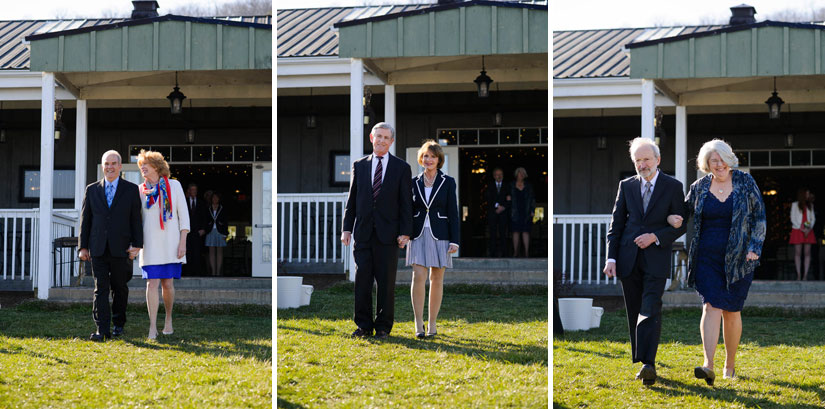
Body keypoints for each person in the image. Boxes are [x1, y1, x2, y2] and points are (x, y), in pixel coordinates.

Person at [668, 139, 766, 384]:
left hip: (740, 258)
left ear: (729, 159)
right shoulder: (699, 186)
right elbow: (684, 210)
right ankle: (708, 364)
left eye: (722, 159)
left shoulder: (745, 182)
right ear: (707, 163)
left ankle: (729, 364)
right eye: (714, 161)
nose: (719, 164)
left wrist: (755, 247)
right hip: (706, 257)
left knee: (731, 312)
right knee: (711, 306)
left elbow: (760, 217)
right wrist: (673, 217)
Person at [604, 137, 686, 386]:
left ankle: (649, 363)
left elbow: (681, 224)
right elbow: (616, 225)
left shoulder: (673, 186)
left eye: (646, 159)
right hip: (628, 259)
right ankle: (642, 361)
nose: (642, 164)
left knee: (651, 306)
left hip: (656, 259)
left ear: (657, 160)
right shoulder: (626, 186)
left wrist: (655, 236)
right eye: (637, 160)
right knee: (634, 310)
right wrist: (611, 257)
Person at [341, 122, 413, 340]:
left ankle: (383, 327)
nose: (381, 140)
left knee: (386, 282)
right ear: (371, 138)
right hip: (362, 233)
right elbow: (352, 199)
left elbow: (406, 204)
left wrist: (405, 232)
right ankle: (363, 325)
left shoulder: (402, 168)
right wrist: (346, 228)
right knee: (362, 280)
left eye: (386, 137)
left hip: (388, 235)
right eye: (378, 136)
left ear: (391, 141)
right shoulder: (359, 165)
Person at [79, 150, 143, 342]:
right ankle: (102, 329)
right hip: (97, 248)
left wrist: (137, 245)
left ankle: (118, 323)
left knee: (120, 288)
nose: (110, 167)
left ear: (120, 166)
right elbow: (86, 220)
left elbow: (136, 220)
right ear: (102, 166)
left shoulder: (131, 190)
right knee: (100, 289)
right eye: (106, 164)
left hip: (121, 248)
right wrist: (83, 247)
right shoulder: (92, 190)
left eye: (114, 163)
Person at [407, 141, 460, 338]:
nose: (428, 160)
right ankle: (418, 323)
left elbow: (453, 213)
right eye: (425, 156)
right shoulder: (413, 182)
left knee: (436, 279)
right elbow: (407, 210)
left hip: (441, 234)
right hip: (418, 233)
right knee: (418, 276)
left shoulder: (448, 182)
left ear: (439, 160)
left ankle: (433, 323)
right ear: (421, 158)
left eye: (432, 156)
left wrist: (455, 240)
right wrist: (404, 233)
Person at [137, 150, 189, 340]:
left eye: (146, 164)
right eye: (141, 164)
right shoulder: (140, 190)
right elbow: (137, 220)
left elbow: (183, 217)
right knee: (152, 284)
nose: (142, 167)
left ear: (157, 167)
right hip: (150, 245)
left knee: (167, 284)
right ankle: (152, 327)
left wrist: (183, 242)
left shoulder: (174, 186)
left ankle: (168, 319)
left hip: (171, 243)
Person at [790, 187, 816, 281]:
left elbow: (813, 219)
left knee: (807, 253)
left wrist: (808, 228)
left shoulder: (810, 205)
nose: (808, 195)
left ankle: (805, 275)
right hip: (798, 230)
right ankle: (799, 275)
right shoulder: (795, 205)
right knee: (798, 253)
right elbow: (792, 218)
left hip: (808, 230)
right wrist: (801, 227)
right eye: (807, 193)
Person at [510, 167, 535, 257]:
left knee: (525, 231)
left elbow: (532, 199)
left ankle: (526, 252)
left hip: (526, 211)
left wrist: (532, 210)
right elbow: (507, 197)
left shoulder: (528, 186)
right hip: (515, 211)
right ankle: (515, 252)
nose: (521, 175)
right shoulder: (511, 185)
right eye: (519, 173)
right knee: (515, 231)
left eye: (523, 174)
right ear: (516, 174)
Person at [485, 167, 510, 257]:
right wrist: (497, 206)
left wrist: (503, 207)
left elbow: (510, 199)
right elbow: (488, 197)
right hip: (493, 213)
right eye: (497, 174)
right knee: (493, 233)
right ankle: (492, 253)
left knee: (503, 233)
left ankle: (504, 253)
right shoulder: (490, 186)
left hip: (503, 214)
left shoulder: (507, 186)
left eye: (500, 174)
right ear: (494, 176)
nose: (499, 176)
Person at [183, 183, 206, 276]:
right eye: (192, 190)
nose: (193, 192)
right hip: (186, 232)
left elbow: (204, 217)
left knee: (197, 253)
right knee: (187, 252)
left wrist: (203, 229)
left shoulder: (201, 203)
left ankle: (196, 273)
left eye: (195, 190)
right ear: (189, 191)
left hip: (197, 232)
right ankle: (187, 272)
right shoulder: (184, 201)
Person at [204, 192, 229, 276]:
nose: (215, 199)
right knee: (211, 252)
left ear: (219, 199)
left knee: (219, 252)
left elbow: (226, 221)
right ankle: (213, 272)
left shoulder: (222, 208)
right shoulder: (208, 208)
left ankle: (218, 272)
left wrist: (225, 234)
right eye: (213, 198)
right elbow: (205, 220)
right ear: (211, 199)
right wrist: (205, 229)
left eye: (216, 198)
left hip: (220, 231)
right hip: (210, 231)